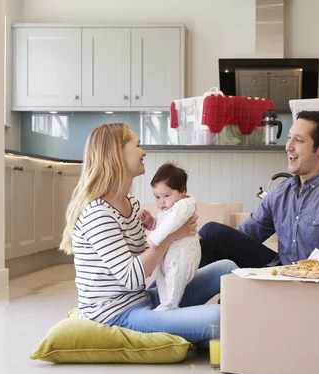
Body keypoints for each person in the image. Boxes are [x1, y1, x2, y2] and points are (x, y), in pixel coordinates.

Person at [59, 123, 236, 345]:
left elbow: (146, 259)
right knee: (219, 318)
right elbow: (133, 277)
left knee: (227, 269)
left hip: (141, 299)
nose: (143, 151)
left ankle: (252, 322)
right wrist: (173, 235)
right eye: (137, 145)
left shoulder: (130, 202)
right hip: (117, 315)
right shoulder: (98, 214)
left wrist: (181, 246)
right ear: (117, 153)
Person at [199, 110, 319, 268]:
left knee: (212, 232)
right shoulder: (281, 192)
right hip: (281, 275)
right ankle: (188, 297)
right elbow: (243, 236)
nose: (288, 146)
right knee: (211, 235)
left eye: (299, 140)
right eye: (289, 138)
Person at [137, 163, 201, 312]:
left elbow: (170, 226)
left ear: (182, 191)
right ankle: (164, 303)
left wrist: (152, 240)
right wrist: (150, 222)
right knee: (162, 279)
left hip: (182, 255)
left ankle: (170, 305)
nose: (162, 202)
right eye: (157, 197)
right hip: (167, 254)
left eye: (166, 196)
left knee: (175, 278)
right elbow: (162, 225)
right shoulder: (169, 207)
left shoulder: (184, 206)